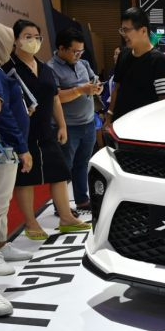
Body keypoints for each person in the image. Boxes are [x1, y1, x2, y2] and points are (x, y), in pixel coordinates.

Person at [1, 19, 90, 240]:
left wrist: (62, 125)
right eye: (27, 37)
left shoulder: (44, 68)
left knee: (59, 173)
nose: (33, 41)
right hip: (22, 132)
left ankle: (66, 218)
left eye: (37, 37)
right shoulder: (8, 68)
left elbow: (55, 99)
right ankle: (31, 223)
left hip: (45, 129)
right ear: (15, 40)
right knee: (26, 177)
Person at [0, 21, 34, 318]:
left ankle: (0, 245)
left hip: (5, 149)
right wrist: (21, 146)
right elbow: (2, 112)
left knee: (0, 205)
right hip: (3, 148)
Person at [48, 28, 102, 212]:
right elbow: (56, 97)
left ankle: (81, 200)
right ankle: (61, 207)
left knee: (82, 164)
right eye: (75, 52)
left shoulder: (83, 64)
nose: (79, 55)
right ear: (61, 48)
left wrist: (97, 87)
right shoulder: (51, 68)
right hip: (67, 126)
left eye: (81, 51)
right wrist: (80, 90)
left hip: (88, 123)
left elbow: (95, 80)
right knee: (64, 168)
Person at [104, 7, 165, 126]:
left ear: (143, 30)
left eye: (127, 30)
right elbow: (117, 88)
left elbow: (164, 100)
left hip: (143, 127)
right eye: (122, 30)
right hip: (119, 124)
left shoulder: (159, 61)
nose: (124, 35)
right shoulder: (123, 55)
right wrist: (109, 116)